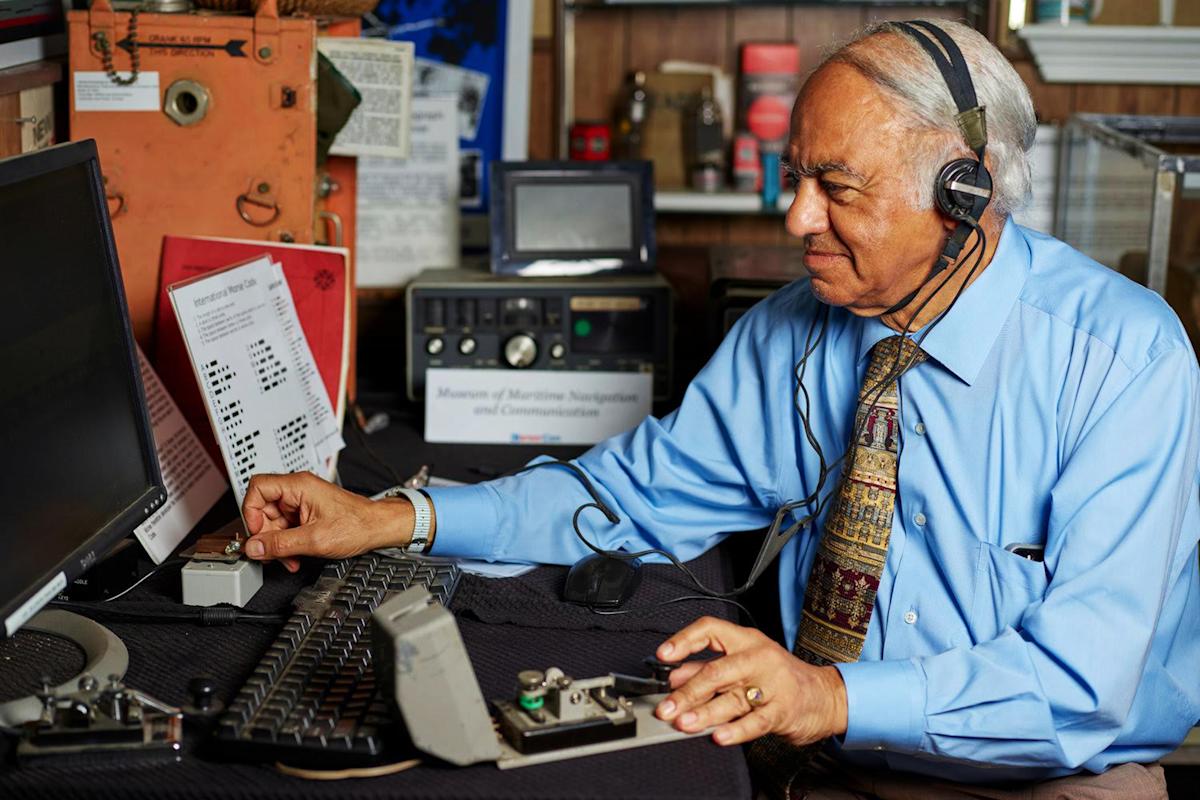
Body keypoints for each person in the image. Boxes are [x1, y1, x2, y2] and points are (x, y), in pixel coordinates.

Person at [239, 19, 1199, 800]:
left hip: (1040, 774)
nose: (796, 221)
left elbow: (1083, 686)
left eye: (837, 189)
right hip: (813, 749)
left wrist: (830, 695)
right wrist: (399, 519)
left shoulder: (1122, 360)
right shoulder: (793, 331)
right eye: (795, 178)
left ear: (965, 193)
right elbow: (632, 498)